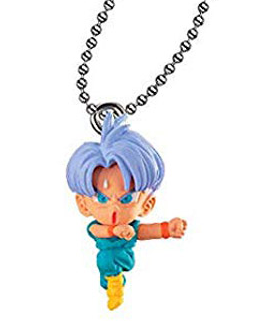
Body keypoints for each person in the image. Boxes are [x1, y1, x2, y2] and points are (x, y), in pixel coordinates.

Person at [66, 113, 187, 310]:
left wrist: (167, 229)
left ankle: (116, 286)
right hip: (108, 264)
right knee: (107, 261)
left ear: (147, 205)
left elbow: (147, 231)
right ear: (83, 204)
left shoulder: (131, 228)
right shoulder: (98, 228)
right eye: (102, 199)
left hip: (125, 260)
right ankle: (114, 288)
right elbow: (98, 231)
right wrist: (114, 231)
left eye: (126, 199)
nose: (114, 208)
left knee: (114, 266)